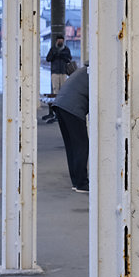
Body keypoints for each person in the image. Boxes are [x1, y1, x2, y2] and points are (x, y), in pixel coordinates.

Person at [54, 64, 89, 193]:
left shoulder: (84, 70)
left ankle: (76, 181)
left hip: (61, 105)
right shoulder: (96, 73)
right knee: (82, 145)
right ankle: (81, 183)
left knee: (72, 146)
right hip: (72, 108)